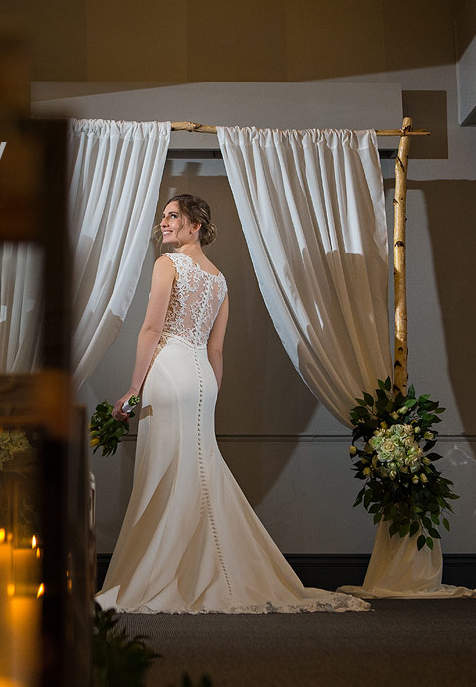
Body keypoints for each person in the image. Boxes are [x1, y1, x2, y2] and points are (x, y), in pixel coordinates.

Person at [95, 194, 368, 614]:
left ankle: (163, 576)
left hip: (168, 370)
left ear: (195, 225)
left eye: (173, 216)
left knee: (165, 475)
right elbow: (216, 351)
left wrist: (134, 388)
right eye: (163, 217)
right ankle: (204, 572)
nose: (164, 223)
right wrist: (211, 395)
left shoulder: (167, 265)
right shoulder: (220, 280)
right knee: (198, 472)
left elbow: (151, 329)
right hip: (202, 379)